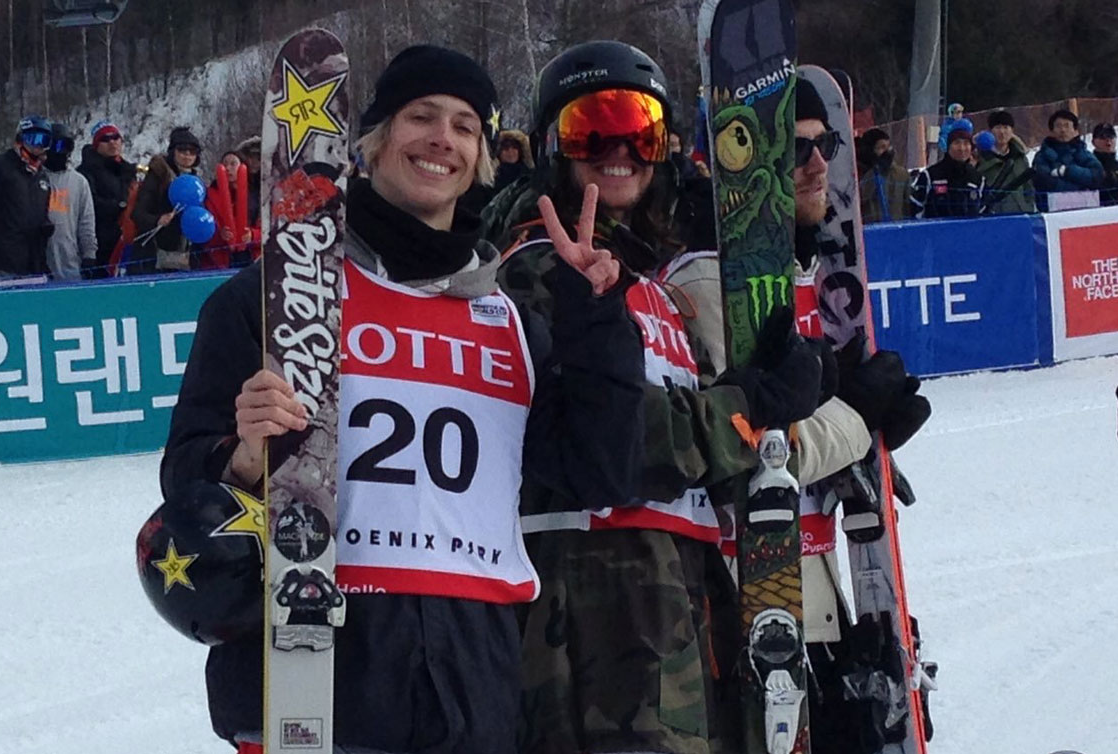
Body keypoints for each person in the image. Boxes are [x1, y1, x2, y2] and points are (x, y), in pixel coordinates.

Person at [159, 44, 647, 754]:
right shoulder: (276, 301)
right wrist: (239, 461)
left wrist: (600, 322)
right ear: (375, 140)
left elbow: (601, 474)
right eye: (421, 117)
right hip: (321, 677)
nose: (441, 139)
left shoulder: (513, 323)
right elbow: (183, 483)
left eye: (464, 126)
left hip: (471, 683)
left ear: (481, 157)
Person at [486, 41, 833, 754]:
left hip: (674, 603)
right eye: (591, 127)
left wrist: (793, 406)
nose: (619, 149)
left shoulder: (657, 292)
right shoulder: (536, 274)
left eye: (639, 128)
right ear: (553, 145)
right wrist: (749, 407)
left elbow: (704, 459)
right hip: (592, 618)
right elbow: (623, 440)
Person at [662, 75, 931, 754]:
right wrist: (853, 421)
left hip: (809, 591)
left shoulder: (806, 279)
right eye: (795, 151)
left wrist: (864, 462)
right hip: (739, 605)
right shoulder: (701, 284)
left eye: (825, 146)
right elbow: (738, 455)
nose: (819, 165)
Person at [0, 116, 55, 279]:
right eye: (32, 139)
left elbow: (39, 213)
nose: (38, 145)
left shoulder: (42, 177)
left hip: (31, 264)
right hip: (0, 263)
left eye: (43, 140)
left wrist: (44, 230)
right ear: (20, 140)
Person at [128, 126, 203, 274]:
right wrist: (157, 220)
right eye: (182, 149)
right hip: (152, 256)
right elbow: (138, 213)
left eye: (192, 151)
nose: (187, 155)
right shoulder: (158, 176)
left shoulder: (196, 182)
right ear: (172, 151)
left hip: (183, 256)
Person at [77, 120, 137, 277]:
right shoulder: (86, 171)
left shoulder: (128, 170)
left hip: (127, 241)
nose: (112, 143)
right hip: (101, 244)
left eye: (116, 137)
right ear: (97, 144)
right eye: (105, 139)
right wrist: (120, 206)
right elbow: (89, 205)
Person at [43, 123, 98, 281]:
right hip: (39, 263)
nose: (59, 151)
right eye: (54, 146)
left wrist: (89, 255)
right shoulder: (34, 178)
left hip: (71, 263)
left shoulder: (79, 182)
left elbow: (86, 222)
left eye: (64, 146)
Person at [1032, 109, 1104, 208]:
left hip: (1086, 213)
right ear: (1051, 131)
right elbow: (1044, 182)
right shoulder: (1042, 156)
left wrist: (1068, 171)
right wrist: (1081, 188)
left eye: (1067, 126)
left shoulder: (1084, 154)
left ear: (1075, 131)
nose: (1063, 130)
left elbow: (1097, 175)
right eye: (1058, 126)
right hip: (1051, 214)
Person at [910, 125, 986, 218]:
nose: (962, 148)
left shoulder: (977, 178)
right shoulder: (931, 175)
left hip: (968, 231)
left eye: (966, 143)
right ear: (948, 146)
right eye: (957, 143)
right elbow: (914, 207)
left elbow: (984, 212)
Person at [977, 110, 1036, 215]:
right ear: (990, 131)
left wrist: (1028, 206)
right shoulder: (981, 158)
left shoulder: (1020, 157)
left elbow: (1028, 186)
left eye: (1006, 127)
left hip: (1020, 214)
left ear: (1012, 131)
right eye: (998, 127)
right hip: (993, 217)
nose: (1002, 132)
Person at [856, 127, 911, 223]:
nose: (887, 151)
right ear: (870, 151)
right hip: (870, 230)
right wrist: (877, 170)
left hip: (897, 228)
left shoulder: (901, 174)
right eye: (881, 147)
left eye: (888, 146)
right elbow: (861, 198)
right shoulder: (860, 175)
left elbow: (908, 205)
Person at [1091, 123, 1118, 206]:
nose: (1108, 140)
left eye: (1111, 136)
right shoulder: (1089, 165)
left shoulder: (1116, 165)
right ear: (1093, 142)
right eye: (1102, 137)